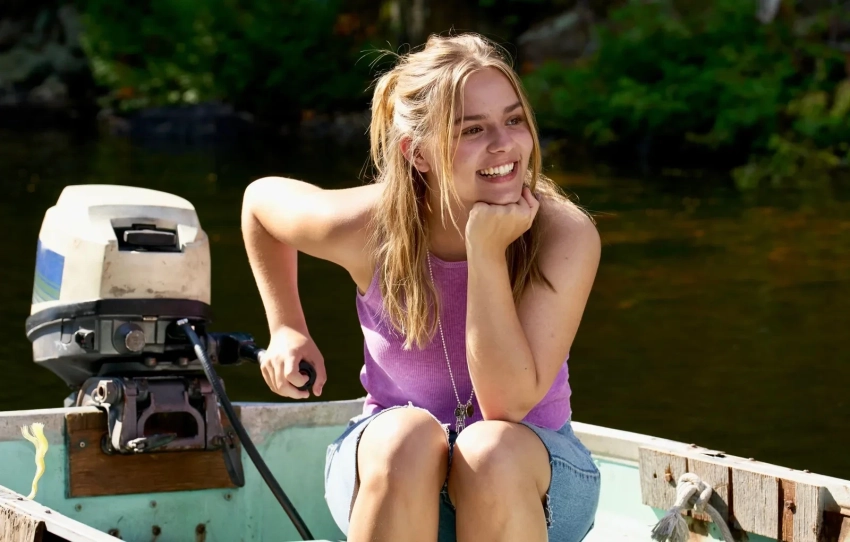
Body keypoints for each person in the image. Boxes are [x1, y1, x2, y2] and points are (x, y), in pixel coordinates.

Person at [241, 32, 601, 542]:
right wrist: (286, 329)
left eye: (514, 120)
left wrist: (485, 253)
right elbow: (260, 203)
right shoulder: (370, 227)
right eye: (472, 128)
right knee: (406, 435)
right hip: (393, 478)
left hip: (532, 483)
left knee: (489, 449)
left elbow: (505, 407)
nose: (504, 143)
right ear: (418, 153)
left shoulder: (562, 234)